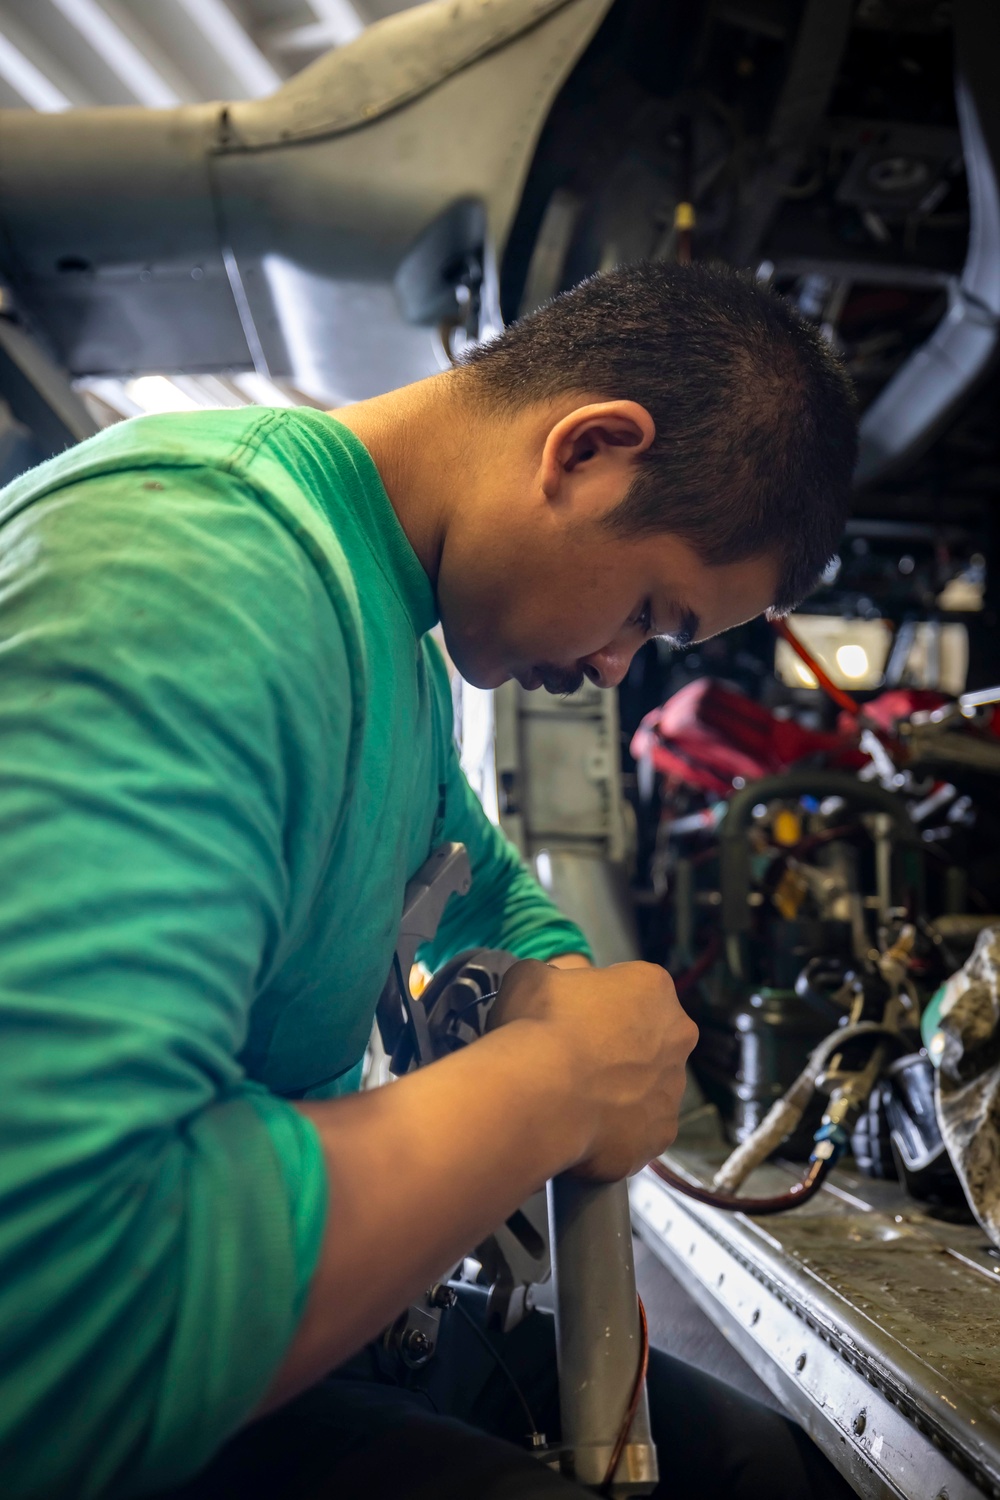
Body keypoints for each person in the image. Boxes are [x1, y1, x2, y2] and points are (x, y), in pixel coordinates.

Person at [0, 262, 857, 1499]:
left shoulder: (387, 630)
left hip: (289, 1327)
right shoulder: (193, 573)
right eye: (647, 614)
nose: (616, 670)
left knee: (759, 1472)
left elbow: (474, 882)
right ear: (588, 452)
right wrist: (558, 1085)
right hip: (122, 1377)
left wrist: (561, 988)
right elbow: (70, 1309)